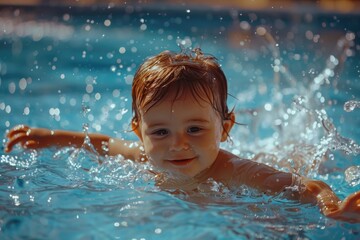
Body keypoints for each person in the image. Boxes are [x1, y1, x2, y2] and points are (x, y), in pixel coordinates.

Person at [4, 49, 360, 223]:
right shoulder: (144, 156)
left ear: (224, 128)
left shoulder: (235, 172)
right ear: (139, 133)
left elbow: (306, 186)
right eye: (160, 131)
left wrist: (331, 208)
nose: (177, 144)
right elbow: (101, 143)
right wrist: (50, 136)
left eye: (195, 129)